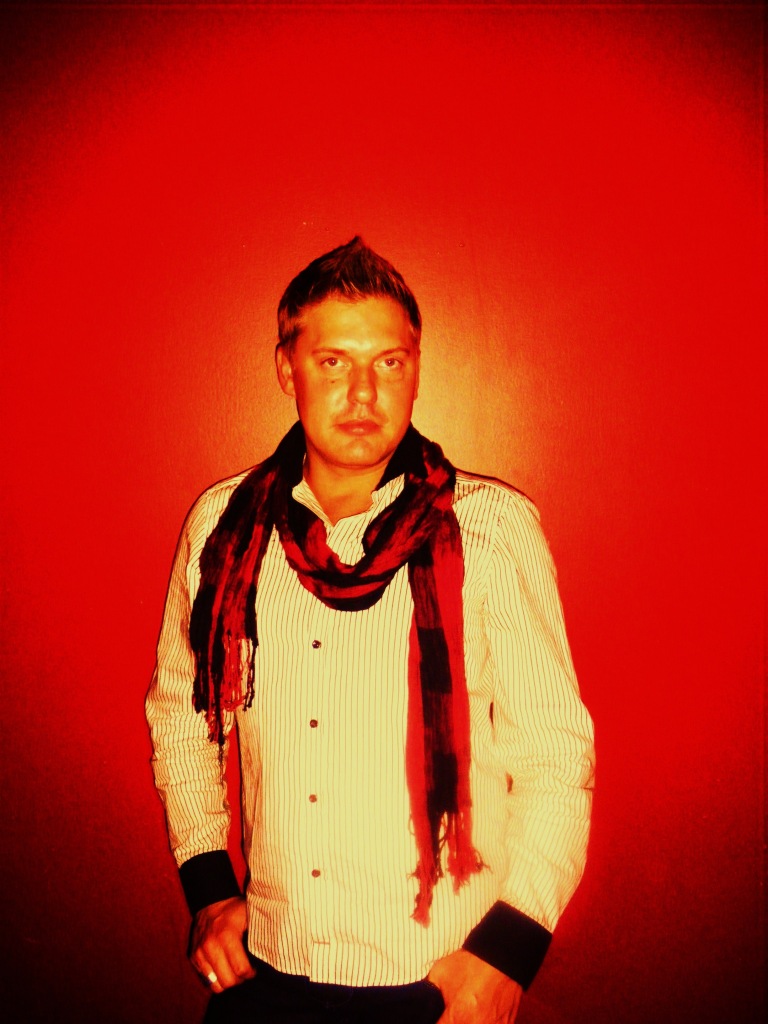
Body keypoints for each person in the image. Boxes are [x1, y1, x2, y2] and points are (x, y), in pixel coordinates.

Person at [146, 237, 595, 1024]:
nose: (363, 393)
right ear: (286, 368)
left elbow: (556, 757)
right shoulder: (223, 527)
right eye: (332, 362)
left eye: (389, 362)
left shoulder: (491, 530)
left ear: (416, 368)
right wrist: (209, 886)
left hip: (436, 983)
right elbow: (183, 718)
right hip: (267, 975)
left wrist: (508, 956)